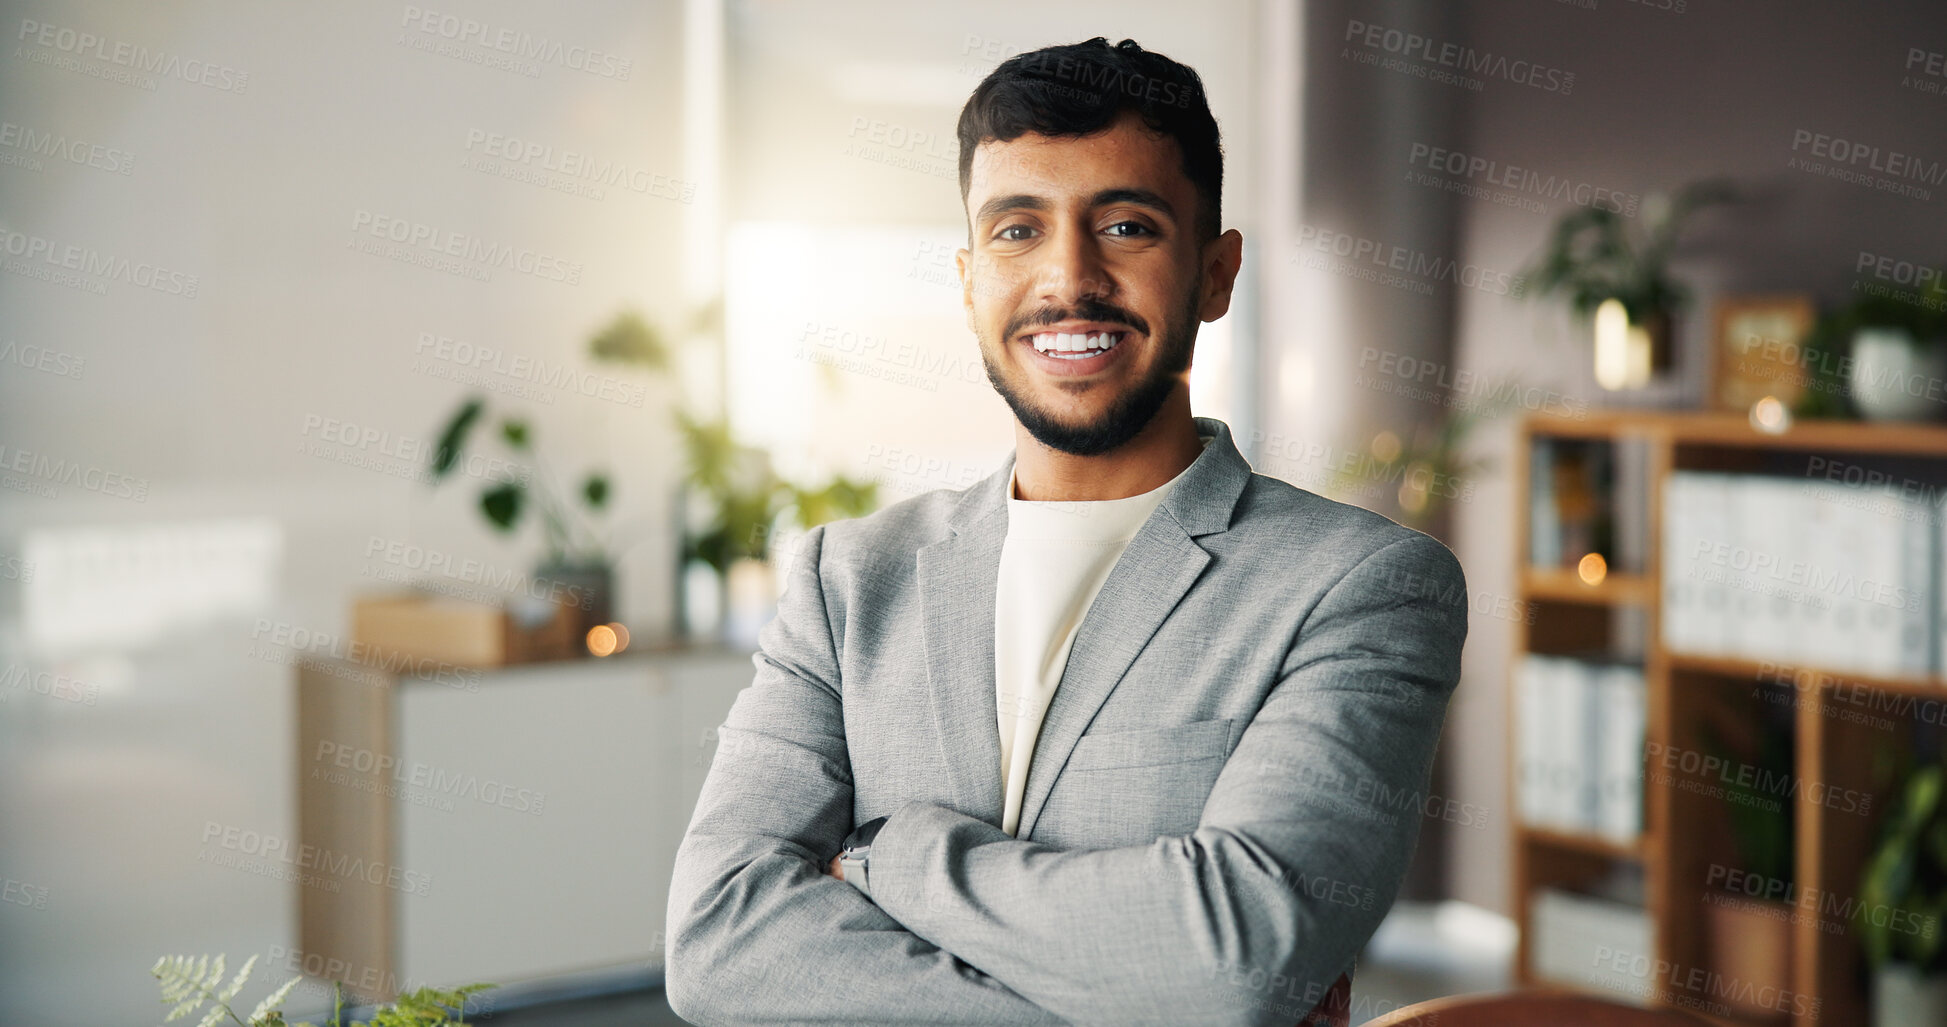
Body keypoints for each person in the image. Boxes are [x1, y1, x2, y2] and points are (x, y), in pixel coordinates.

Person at [666, 36, 1469, 1027]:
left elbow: (1239, 962)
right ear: (968, 283)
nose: (1068, 277)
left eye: (1126, 225)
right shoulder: (848, 581)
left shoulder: (1363, 585)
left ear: (1216, 274)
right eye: (1017, 231)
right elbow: (717, 941)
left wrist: (889, 857)